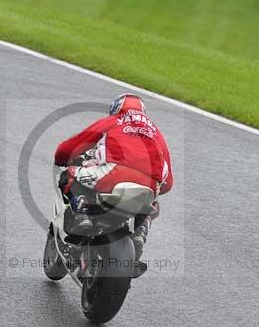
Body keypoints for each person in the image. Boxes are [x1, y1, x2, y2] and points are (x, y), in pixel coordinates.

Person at [54, 93, 173, 259]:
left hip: (113, 174)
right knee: (154, 203)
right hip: (149, 185)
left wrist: (61, 158)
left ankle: (83, 215)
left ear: (116, 108)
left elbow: (70, 147)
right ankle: (140, 231)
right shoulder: (156, 132)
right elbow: (168, 184)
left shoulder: (114, 121)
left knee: (68, 175)